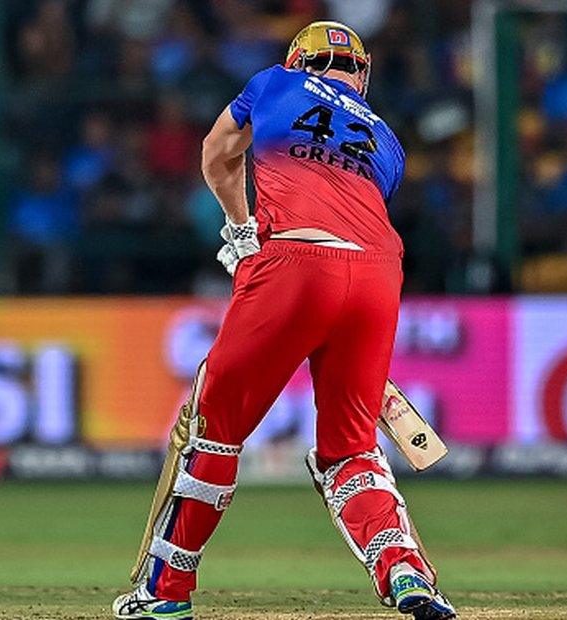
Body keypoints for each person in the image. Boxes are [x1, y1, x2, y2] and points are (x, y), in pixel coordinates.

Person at [112, 21, 457, 620]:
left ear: (301, 62)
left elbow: (217, 156)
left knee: (214, 430)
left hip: (294, 262)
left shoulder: (275, 82)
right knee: (351, 448)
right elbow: (352, 218)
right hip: (379, 275)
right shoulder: (387, 141)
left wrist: (242, 230)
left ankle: (164, 593)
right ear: (362, 74)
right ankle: (405, 571)